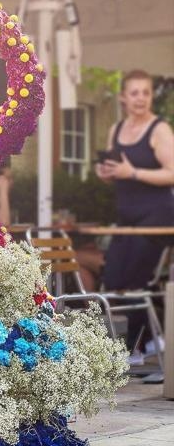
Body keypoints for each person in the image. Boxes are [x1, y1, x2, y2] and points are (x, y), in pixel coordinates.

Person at [96, 70, 174, 365]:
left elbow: (172, 173)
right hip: (126, 217)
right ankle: (155, 338)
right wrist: (106, 174)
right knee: (115, 278)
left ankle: (135, 347)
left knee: (138, 279)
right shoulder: (116, 129)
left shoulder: (159, 130)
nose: (141, 98)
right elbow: (115, 172)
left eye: (146, 92)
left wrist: (134, 173)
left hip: (158, 217)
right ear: (123, 98)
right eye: (135, 93)